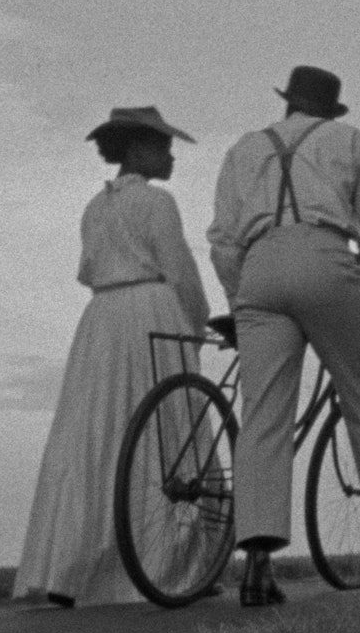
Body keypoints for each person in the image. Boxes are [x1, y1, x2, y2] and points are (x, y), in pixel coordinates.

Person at [207, 66, 360, 606]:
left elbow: (222, 240)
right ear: (330, 111)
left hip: (259, 267)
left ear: (288, 104)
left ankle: (258, 566)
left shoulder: (243, 150)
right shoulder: (352, 142)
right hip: (327, 262)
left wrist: (243, 297)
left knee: (263, 417)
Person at [13, 107, 211, 607]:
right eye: (162, 147)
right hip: (150, 310)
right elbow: (180, 271)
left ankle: (77, 564)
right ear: (138, 150)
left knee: (97, 432)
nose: (169, 157)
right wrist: (199, 321)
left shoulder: (94, 209)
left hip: (102, 321)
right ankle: (168, 561)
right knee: (165, 427)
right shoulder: (157, 204)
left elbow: (88, 269)